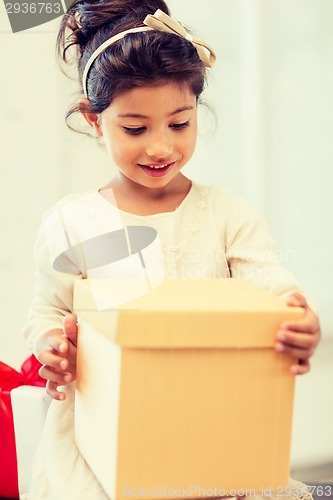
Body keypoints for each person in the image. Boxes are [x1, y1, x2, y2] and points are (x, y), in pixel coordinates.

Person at [22, 0, 321, 499]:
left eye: (179, 124)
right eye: (135, 129)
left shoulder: (226, 214)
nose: (160, 147)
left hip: (211, 428)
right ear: (94, 121)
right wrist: (53, 343)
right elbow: (45, 312)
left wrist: (297, 319)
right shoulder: (72, 222)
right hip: (101, 440)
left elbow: (272, 289)